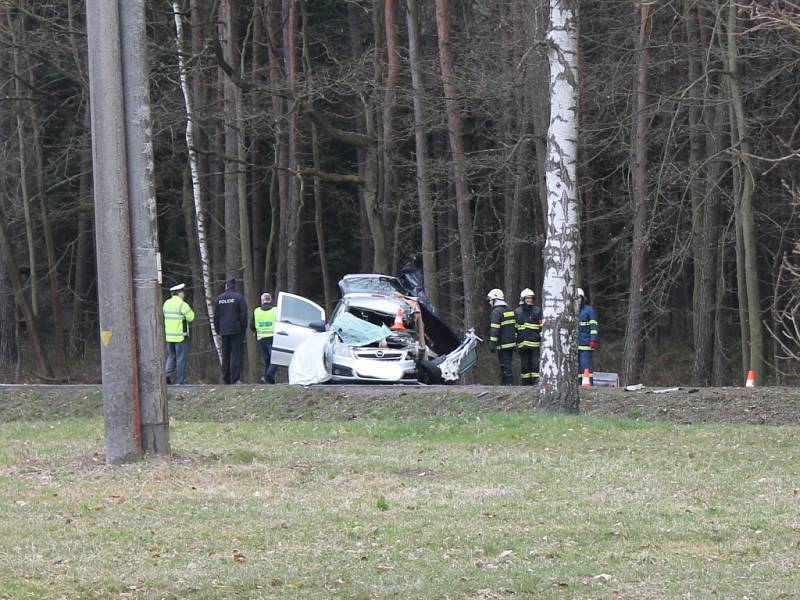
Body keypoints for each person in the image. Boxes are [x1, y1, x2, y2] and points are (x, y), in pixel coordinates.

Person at [213, 277, 248, 384]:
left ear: (226, 286)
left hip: (224, 330)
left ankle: (226, 378)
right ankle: (235, 378)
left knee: (225, 355)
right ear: (234, 285)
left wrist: (218, 330)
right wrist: (243, 328)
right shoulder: (239, 298)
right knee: (235, 355)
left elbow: (216, 317)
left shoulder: (219, 299)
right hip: (236, 329)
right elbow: (243, 315)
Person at [163, 282, 195, 385]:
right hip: (181, 336)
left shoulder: (166, 304)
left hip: (169, 336)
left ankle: (166, 375)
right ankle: (180, 381)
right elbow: (191, 317)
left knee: (171, 356)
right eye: (183, 292)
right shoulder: (182, 304)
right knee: (181, 358)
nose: (184, 294)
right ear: (179, 293)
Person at [487, 288, 516, 385]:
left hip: (503, 344)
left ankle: (508, 383)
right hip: (511, 343)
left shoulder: (496, 312)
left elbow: (495, 330)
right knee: (508, 362)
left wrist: (492, 344)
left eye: (491, 300)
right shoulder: (510, 310)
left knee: (504, 363)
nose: (490, 302)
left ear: (495, 299)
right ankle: (505, 382)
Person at [515, 288, 543, 385]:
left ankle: (535, 384)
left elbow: (541, 327)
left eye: (531, 298)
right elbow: (515, 328)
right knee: (525, 366)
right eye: (527, 298)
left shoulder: (538, 311)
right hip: (522, 344)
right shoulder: (517, 312)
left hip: (535, 344)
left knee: (535, 365)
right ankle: (525, 385)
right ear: (523, 299)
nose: (529, 300)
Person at [252, 292, 278, 384]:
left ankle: (268, 380)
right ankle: (268, 376)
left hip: (261, 338)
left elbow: (252, 326)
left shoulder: (256, 311)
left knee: (267, 359)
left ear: (262, 301)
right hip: (273, 337)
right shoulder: (275, 310)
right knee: (275, 359)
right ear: (270, 300)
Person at [577, 287, 599, 384]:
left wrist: (593, 339)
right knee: (575, 368)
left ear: (582, 299)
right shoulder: (570, 311)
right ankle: (577, 384)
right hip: (573, 345)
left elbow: (593, 326)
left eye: (579, 298)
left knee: (585, 365)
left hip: (585, 343)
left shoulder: (588, 310)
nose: (577, 300)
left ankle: (587, 383)